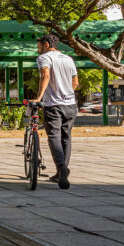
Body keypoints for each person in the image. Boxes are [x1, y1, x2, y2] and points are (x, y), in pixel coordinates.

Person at [36, 33, 79, 189]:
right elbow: (75, 82)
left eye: (39, 45)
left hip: (53, 105)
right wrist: (66, 92)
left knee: (54, 136)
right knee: (66, 137)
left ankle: (61, 168)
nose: (37, 49)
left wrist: (39, 97)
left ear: (46, 44)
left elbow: (45, 75)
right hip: (70, 104)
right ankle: (61, 172)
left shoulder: (44, 58)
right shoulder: (68, 59)